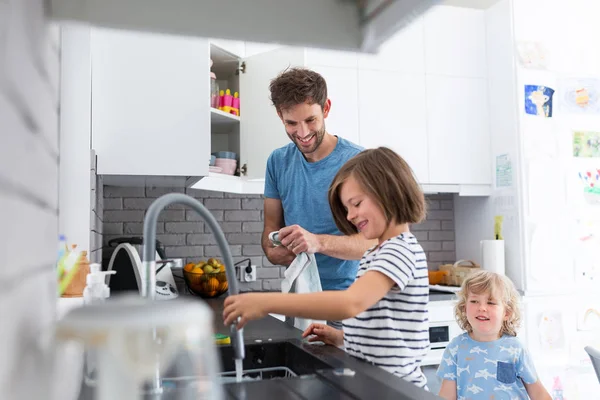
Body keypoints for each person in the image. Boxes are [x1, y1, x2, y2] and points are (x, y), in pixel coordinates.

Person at [224, 147, 430, 388]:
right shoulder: (377, 252)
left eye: (356, 204)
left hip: (397, 390)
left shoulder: (399, 250)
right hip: (376, 385)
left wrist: (264, 302)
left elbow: (350, 303)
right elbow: (382, 330)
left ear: (389, 191)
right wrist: (342, 338)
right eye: (347, 209)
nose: (351, 216)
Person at [262, 67, 375, 303]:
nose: (302, 133)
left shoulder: (357, 163)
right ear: (279, 116)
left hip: (349, 302)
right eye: (291, 123)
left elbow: (375, 241)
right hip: (300, 298)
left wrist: (316, 242)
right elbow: (270, 232)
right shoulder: (277, 161)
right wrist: (275, 250)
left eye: (310, 120)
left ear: (326, 109)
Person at [437, 271, 551, 400]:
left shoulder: (516, 349)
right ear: (464, 308)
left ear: (506, 313)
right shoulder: (455, 349)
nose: (482, 308)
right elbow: (446, 396)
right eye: (474, 301)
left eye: (491, 303)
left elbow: (538, 393)